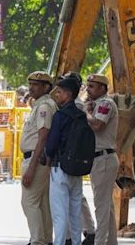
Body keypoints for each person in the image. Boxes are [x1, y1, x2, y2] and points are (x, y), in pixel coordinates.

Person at [46, 77, 85, 245]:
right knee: (75, 213)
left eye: (60, 92)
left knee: (60, 213)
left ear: (68, 94)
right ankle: (76, 242)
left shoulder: (60, 115)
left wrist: (47, 157)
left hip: (59, 167)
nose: (57, 95)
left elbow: (52, 142)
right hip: (76, 169)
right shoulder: (82, 116)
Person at [59, 71, 96, 244]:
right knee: (72, 198)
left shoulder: (77, 106)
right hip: (69, 155)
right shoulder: (71, 105)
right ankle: (82, 232)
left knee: (74, 199)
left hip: (72, 156)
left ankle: (87, 231)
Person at [20, 71, 56, 245]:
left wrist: (31, 167)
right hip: (38, 159)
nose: (31, 87)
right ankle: (45, 239)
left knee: (29, 202)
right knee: (41, 203)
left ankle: (37, 240)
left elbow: (43, 137)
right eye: (31, 84)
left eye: (36, 84)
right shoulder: (40, 105)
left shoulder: (44, 107)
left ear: (46, 87)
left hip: (36, 159)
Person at [85, 74, 119, 245]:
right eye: (87, 85)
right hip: (98, 159)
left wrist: (87, 113)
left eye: (92, 86)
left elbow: (98, 125)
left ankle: (100, 242)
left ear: (102, 88)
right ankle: (111, 242)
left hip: (103, 158)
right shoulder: (96, 105)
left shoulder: (106, 103)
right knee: (107, 205)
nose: (87, 89)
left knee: (102, 206)